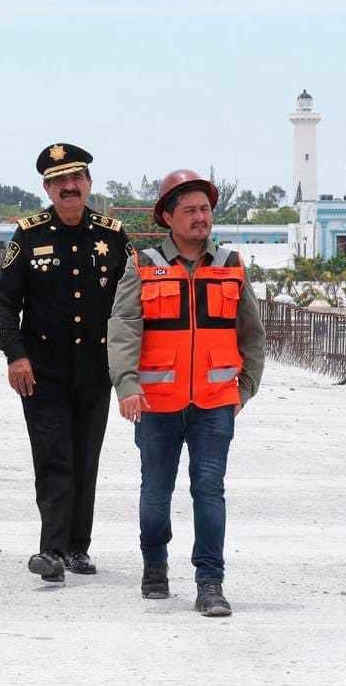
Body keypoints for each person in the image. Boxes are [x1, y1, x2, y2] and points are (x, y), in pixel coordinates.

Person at [106, 169, 266, 617]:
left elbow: (252, 335)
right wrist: (127, 384)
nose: (201, 218)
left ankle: (210, 583)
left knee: (209, 490)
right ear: (168, 217)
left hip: (215, 404)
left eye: (205, 209)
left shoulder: (231, 264)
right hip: (156, 404)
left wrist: (245, 388)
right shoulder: (143, 264)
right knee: (155, 493)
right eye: (190, 210)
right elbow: (122, 329)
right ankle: (154, 565)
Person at [0, 143, 132, 583]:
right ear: (48, 189)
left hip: (95, 369)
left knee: (85, 457)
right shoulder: (28, 235)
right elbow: (5, 304)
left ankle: (77, 547)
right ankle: (50, 551)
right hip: (43, 371)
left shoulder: (113, 235)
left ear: (88, 184)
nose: (69, 188)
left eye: (76, 179)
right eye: (59, 182)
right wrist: (15, 356)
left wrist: (128, 365)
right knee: (54, 458)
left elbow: (131, 306)